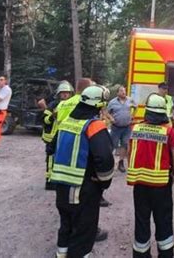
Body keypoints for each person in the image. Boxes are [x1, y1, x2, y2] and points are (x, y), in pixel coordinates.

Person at [49, 85, 114, 258]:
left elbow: (50, 147)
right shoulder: (94, 126)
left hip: (61, 186)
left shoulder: (66, 122)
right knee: (83, 231)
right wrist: (104, 182)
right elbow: (105, 160)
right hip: (82, 188)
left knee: (66, 226)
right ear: (98, 106)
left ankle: (60, 255)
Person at [127, 93, 174, 258]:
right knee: (163, 221)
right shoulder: (168, 131)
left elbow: (129, 153)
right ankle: (165, 254)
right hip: (161, 185)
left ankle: (141, 255)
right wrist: (173, 176)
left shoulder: (135, 128)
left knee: (141, 221)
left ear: (147, 111)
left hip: (140, 184)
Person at [41, 81, 74, 190]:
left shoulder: (73, 104)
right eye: (63, 93)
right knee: (51, 159)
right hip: (52, 137)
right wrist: (52, 117)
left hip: (65, 136)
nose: (65, 95)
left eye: (67, 93)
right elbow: (44, 120)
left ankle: (61, 179)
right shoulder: (53, 105)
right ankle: (49, 181)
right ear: (59, 94)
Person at [107, 85, 136, 173]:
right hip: (116, 128)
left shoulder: (130, 100)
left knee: (125, 145)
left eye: (124, 90)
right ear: (117, 93)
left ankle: (121, 163)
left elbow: (135, 107)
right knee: (112, 145)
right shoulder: (112, 102)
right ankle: (109, 164)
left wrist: (132, 116)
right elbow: (106, 112)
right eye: (121, 91)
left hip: (127, 128)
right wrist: (111, 118)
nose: (124, 92)